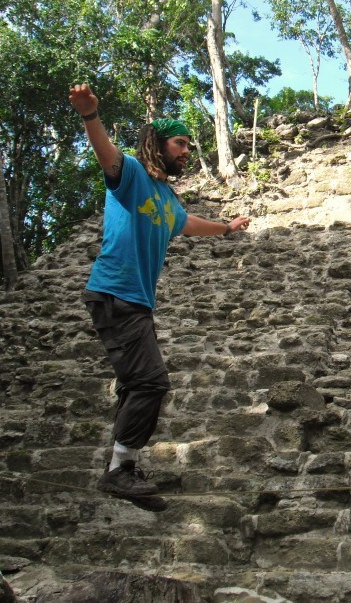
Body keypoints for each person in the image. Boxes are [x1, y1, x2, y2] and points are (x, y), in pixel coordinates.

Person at [69, 83, 250, 511]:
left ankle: (123, 467)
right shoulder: (130, 175)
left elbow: (187, 223)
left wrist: (226, 228)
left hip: (136, 301)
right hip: (114, 292)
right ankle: (120, 471)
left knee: (138, 383)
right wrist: (90, 116)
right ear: (157, 144)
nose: (186, 151)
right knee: (150, 381)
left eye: (188, 145)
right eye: (180, 143)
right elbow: (106, 156)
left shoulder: (167, 198)